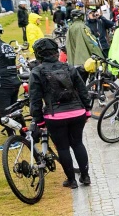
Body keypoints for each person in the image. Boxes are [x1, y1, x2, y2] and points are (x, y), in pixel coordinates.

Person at [28, 38, 92, 189]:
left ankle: (71, 180)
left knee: (63, 148)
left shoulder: (36, 72)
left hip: (54, 116)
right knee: (77, 143)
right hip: (78, 112)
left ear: (38, 55)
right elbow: (83, 90)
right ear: (56, 52)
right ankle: (85, 176)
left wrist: (39, 120)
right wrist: (87, 110)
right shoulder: (69, 68)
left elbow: (35, 99)